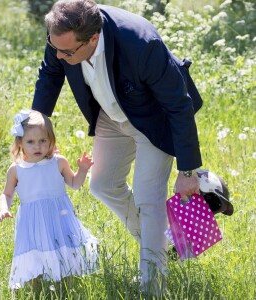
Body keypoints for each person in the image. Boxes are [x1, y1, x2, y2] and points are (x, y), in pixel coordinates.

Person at [32, 0, 203, 296]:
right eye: (54, 47)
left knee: (149, 198)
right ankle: (171, 243)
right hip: (112, 116)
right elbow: (50, 73)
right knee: (102, 184)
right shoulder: (62, 36)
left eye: (67, 52)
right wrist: (34, 124)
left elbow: (178, 105)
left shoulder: (140, 43)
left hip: (153, 117)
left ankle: (153, 285)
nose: (59, 55)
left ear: (93, 39)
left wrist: (187, 170)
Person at [0, 109, 98, 289]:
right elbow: (7, 194)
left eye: (43, 140)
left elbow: (74, 184)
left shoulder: (58, 162)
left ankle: (65, 284)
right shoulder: (17, 169)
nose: (38, 146)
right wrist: (4, 208)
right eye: (31, 142)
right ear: (20, 143)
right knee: (35, 252)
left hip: (59, 216)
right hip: (32, 220)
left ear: (51, 140)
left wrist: (82, 170)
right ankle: (35, 286)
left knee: (63, 249)